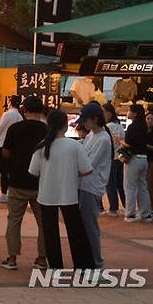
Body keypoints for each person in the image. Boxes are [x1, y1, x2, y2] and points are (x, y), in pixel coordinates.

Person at [29, 109, 95, 270]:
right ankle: (84, 267)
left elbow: (33, 172)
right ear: (66, 126)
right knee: (76, 233)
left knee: (50, 234)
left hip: (46, 195)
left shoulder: (41, 147)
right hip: (69, 194)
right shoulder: (74, 146)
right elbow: (87, 170)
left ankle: (56, 267)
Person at [0, 96, 47, 270]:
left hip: (17, 181)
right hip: (40, 184)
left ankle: (12, 258)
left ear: (24, 110)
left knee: (14, 220)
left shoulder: (15, 128)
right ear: (41, 110)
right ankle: (42, 258)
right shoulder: (47, 130)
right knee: (43, 222)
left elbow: (5, 152)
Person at [76, 103, 113, 269]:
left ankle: (96, 263)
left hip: (91, 187)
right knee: (85, 225)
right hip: (83, 185)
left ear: (95, 119)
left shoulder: (104, 139)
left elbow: (88, 165)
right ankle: (87, 260)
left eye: (86, 120)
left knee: (90, 226)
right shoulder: (91, 135)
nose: (84, 124)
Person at [121, 105, 153, 223]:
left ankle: (130, 214)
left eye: (129, 110)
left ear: (134, 113)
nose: (127, 112)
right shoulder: (144, 126)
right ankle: (146, 213)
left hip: (133, 159)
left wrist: (119, 140)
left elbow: (128, 144)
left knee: (130, 187)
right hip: (144, 159)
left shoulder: (132, 127)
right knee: (142, 186)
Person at [0, 95, 23, 203]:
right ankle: (11, 192)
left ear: (10, 102)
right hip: (15, 147)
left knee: (3, 170)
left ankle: (4, 193)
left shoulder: (7, 114)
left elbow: (0, 128)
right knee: (11, 170)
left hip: (2, 144)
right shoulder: (19, 116)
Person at [101, 103, 126, 216]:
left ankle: (113, 208)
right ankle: (127, 206)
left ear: (109, 113)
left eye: (103, 112)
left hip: (111, 158)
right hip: (120, 158)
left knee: (110, 184)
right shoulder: (120, 126)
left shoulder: (108, 127)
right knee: (121, 184)